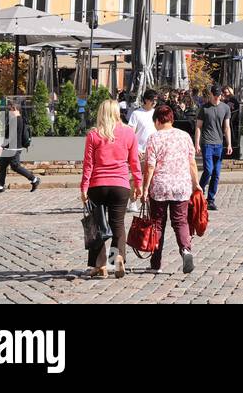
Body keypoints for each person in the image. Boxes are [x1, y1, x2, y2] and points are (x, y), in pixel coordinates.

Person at [80, 98, 142, 279]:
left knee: (97, 226)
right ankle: (117, 258)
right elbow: (134, 162)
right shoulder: (129, 133)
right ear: (117, 112)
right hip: (120, 185)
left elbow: (88, 165)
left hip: (97, 185)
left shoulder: (93, 135)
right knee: (118, 225)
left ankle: (101, 266)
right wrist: (138, 183)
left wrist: (84, 187)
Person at [142, 103, 200, 273]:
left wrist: (145, 188)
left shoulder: (154, 138)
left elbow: (150, 166)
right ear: (171, 119)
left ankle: (156, 264)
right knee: (180, 221)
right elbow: (192, 163)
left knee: (158, 224)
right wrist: (196, 183)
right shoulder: (184, 136)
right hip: (181, 186)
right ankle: (186, 250)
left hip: (160, 186)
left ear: (157, 121)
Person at [194, 84, 232, 211]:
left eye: (218, 95)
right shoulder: (204, 109)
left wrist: (229, 144)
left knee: (216, 173)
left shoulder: (225, 108)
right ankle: (198, 190)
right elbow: (198, 127)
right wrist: (197, 143)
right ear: (211, 94)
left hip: (219, 144)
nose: (217, 97)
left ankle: (210, 200)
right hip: (207, 143)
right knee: (208, 170)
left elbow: (227, 127)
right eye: (215, 95)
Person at [0, 99, 40, 194]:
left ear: (16, 109)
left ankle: (34, 179)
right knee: (2, 165)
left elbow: (12, 136)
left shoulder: (17, 120)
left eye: (10, 110)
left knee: (15, 166)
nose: (9, 112)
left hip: (14, 148)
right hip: (10, 148)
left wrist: (1, 147)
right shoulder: (16, 119)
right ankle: (0, 186)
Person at [127, 90, 158, 157]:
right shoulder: (136, 113)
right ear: (146, 100)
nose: (154, 102)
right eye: (152, 100)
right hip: (140, 152)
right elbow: (130, 134)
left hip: (154, 152)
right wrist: (136, 149)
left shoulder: (157, 113)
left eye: (156, 100)